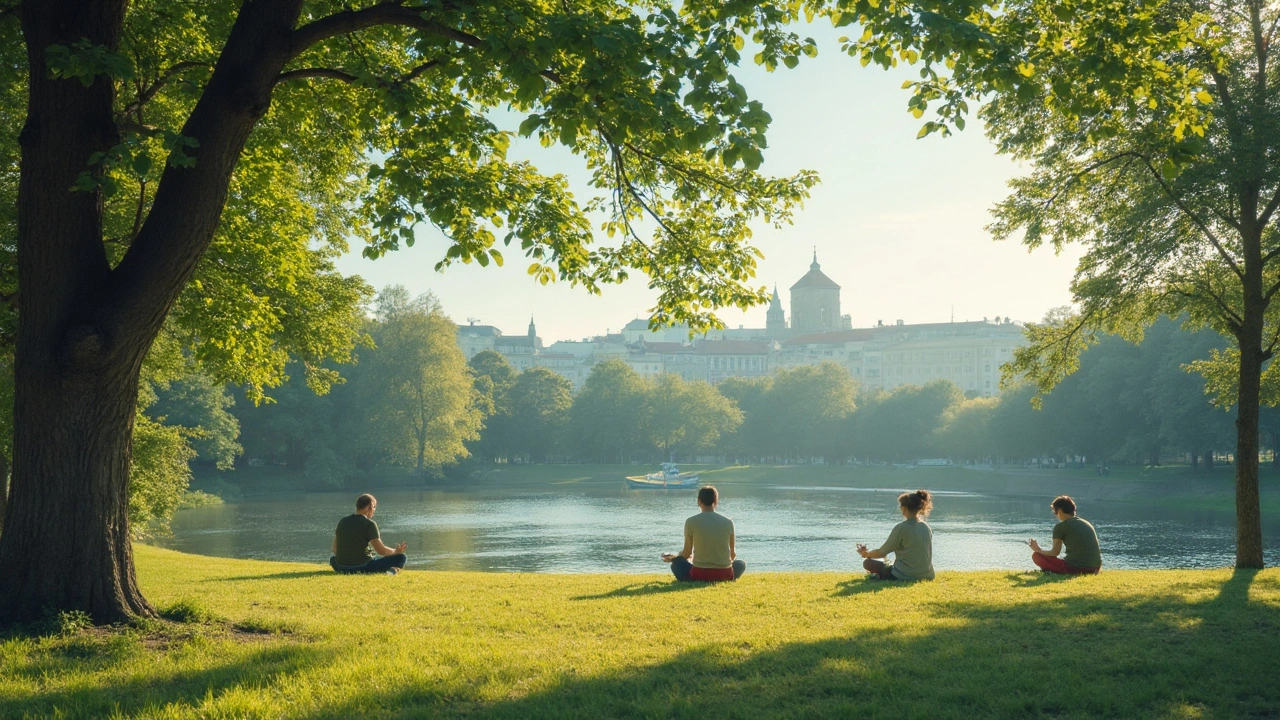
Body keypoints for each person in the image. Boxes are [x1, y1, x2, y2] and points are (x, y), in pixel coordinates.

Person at [662, 485, 746, 582]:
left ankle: (691, 579)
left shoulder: (691, 521)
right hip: (724, 574)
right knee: (740, 564)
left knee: (676, 564)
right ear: (715, 501)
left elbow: (686, 554)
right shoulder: (728, 522)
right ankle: (727, 578)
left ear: (699, 501)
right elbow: (732, 555)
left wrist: (674, 558)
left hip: (699, 575)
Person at [857, 489, 935, 581]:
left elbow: (882, 552)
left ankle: (881, 576)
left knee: (868, 563)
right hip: (928, 575)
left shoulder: (902, 527)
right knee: (885, 561)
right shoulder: (926, 527)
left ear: (904, 508)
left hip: (905, 575)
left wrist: (867, 554)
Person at [330, 493, 408, 574]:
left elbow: (334, 549)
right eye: (374, 507)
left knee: (332, 559)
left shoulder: (343, 521)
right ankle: (392, 570)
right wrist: (396, 551)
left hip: (341, 567)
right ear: (370, 506)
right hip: (363, 567)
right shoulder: (369, 524)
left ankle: (391, 570)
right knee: (401, 557)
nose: (374, 510)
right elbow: (381, 551)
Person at [1029, 495, 1101, 574]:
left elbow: (1055, 552)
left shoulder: (1061, 527)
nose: (1055, 515)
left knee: (1037, 556)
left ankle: (1053, 571)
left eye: (1055, 512)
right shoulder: (1086, 523)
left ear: (1059, 511)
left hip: (1076, 569)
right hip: (1095, 569)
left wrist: (1038, 550)